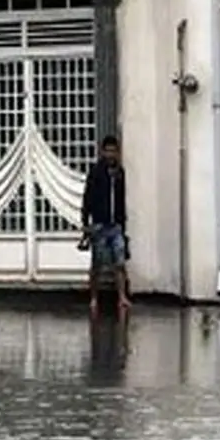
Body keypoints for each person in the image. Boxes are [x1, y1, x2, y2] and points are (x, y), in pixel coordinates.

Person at [82, 135, 131, 316]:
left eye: (113, 151)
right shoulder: (96, 172)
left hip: (115, 225)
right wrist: (86, 222)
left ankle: (122, 297)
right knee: (98, 264)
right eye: (107, 150)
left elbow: (121, 199)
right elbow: (88, 197)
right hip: (100, 225)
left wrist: (123, 224)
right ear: (102, 152)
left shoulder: (120, 173)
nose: (110, 154)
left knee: (119, 263)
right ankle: (94, 298)